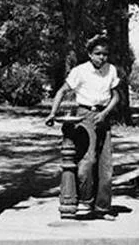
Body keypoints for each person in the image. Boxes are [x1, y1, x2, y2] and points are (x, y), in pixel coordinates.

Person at [45, 34, 120, 220]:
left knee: (106, 165)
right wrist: (52, 113)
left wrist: (105, 113)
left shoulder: (111, 70)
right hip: (84, 115)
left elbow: (116, 96)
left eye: (105, 54)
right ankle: (83, 198)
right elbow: (62, 91)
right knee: (87, 163)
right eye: (97, 53)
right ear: (90, 54)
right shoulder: (80, 71)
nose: (101, 57)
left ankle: (102, 208)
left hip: (103, 116)